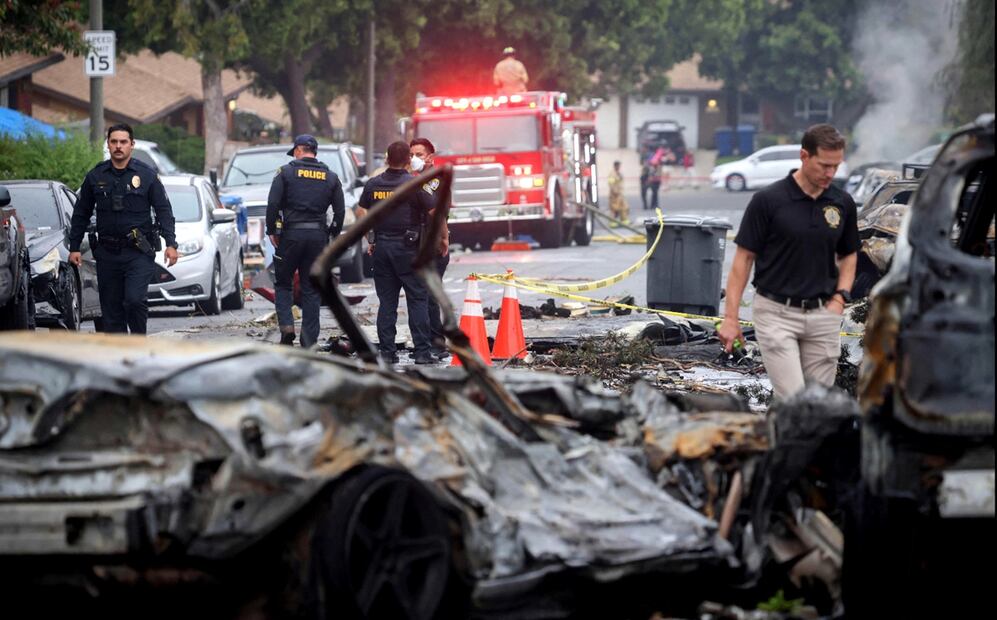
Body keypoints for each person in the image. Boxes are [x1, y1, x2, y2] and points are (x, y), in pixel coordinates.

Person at [718, 124, 858, 401]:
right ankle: (783, 440)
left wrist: (840, 298)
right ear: (804, 156)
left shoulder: (842, 202)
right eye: (824, 165)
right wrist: (731, 319)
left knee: (819, 406)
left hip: (823, 315)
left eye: (836, 166)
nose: (831, 173)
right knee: (793, 400)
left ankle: (784, 441)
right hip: (776, 314)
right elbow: (743, 261)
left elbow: (849, 254)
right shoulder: (768, 201)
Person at [68, 123, 177, 334]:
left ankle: (137, 343)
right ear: (108, 145)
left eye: (123, 142)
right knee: (111, 310)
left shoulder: (147, 176)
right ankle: (120, 355)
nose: (118, 146)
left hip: (138, 252)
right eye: (114, 142)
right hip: (107, 253)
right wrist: (74, 247)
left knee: (135, 300)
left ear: (132, 145)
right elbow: (81, 213)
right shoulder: (95, 176)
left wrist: (171, 243)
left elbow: (163, 210)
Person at [266, 134, 345, 347]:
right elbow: (340, 211)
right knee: (311, 288)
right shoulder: (331, 177)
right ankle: (309, 339)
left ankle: (287, 329)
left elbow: (273, 204)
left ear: (299, 150)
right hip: (318, 238)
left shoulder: (285, 173)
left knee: (283, 284)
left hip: (290, 237)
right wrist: (332, 235)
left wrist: (272, 230)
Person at [360, 141, 435, 365]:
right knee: (417, 300)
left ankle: (387, 352)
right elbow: (434, 212)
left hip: (382, 248)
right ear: (408, 160)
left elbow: (361, 211)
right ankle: (422, 352)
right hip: (409, 249)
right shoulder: (416, 183)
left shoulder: (373, 184)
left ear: (386, 159)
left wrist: (371, 238)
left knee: (387, 303)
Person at [410, 137, 451, 359]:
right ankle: (426, 342)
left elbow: (438, 212)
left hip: (433, 243)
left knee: (430, 294)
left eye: (420, 154)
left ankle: (436, 343)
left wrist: (443, 239)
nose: (414, 159)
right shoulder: (411, 179)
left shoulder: (436, 180)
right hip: (415, 243)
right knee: (421, 294)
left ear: (430, 157)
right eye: (411, 155)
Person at [608, 160, 628, 224]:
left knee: (623, 207)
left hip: (620, 194)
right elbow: (611, 184)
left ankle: (624, 221)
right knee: (614, 209)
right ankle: (613, 222)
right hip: (614, 195)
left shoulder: (618, 173)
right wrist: (615, 191)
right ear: (615, 166)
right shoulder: (612, 174)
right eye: (618, 166)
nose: (619, 167)